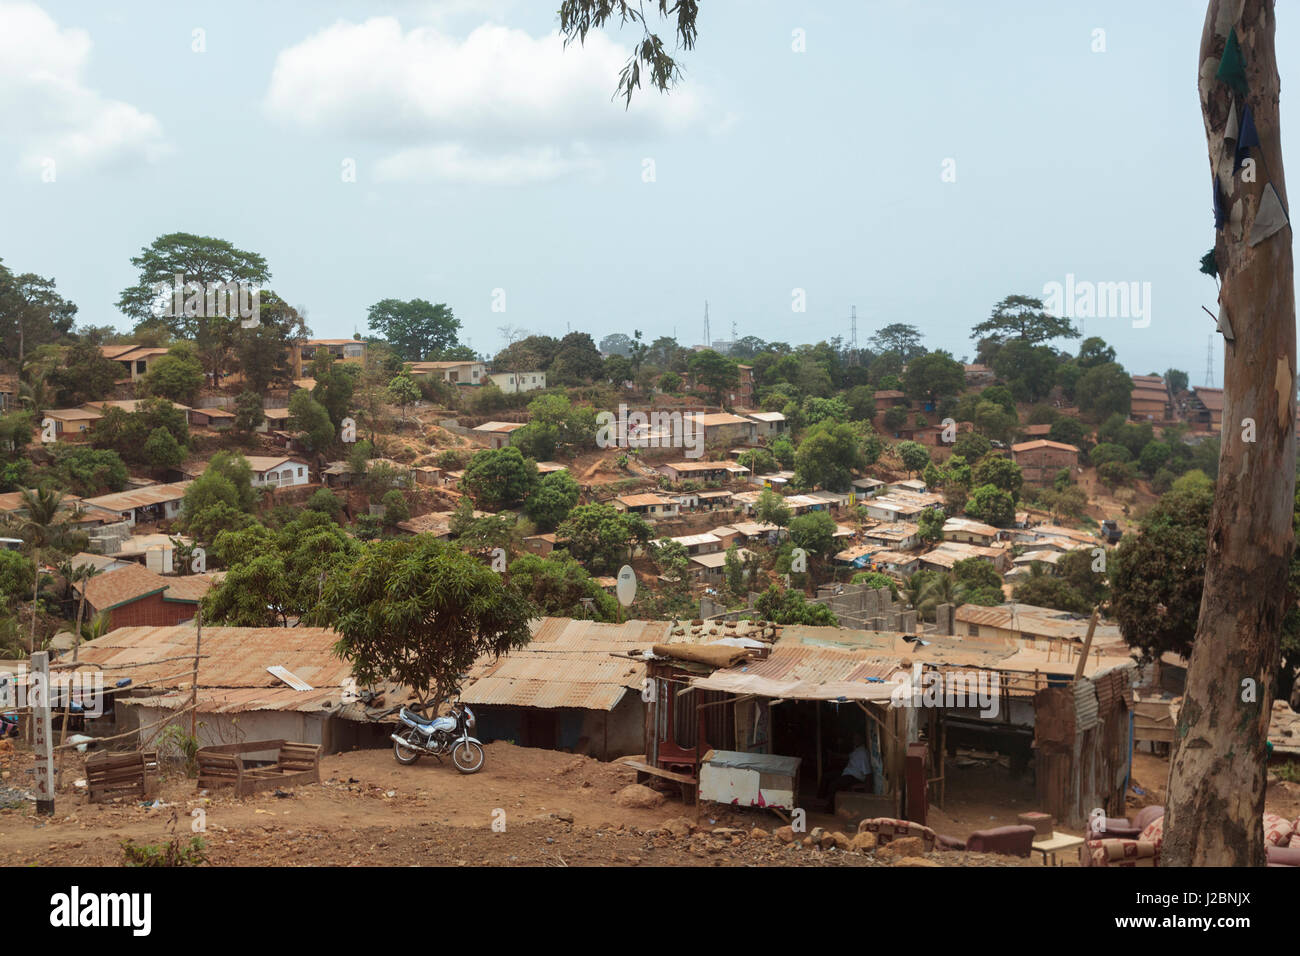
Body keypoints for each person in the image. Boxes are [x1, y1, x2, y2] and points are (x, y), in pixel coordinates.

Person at [821, 731, 872, 799]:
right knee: (826, 776)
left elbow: (868, 773)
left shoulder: (863, 753)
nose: (855, 740)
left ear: (862, 740)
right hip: (847, 773)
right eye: (854, 738)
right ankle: (821, 799)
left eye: (858, 738)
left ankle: (831, 807)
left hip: (855, 777)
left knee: (834, 785)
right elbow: (847, 756)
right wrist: (834, 754)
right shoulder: (857, 750)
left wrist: (867, 793)